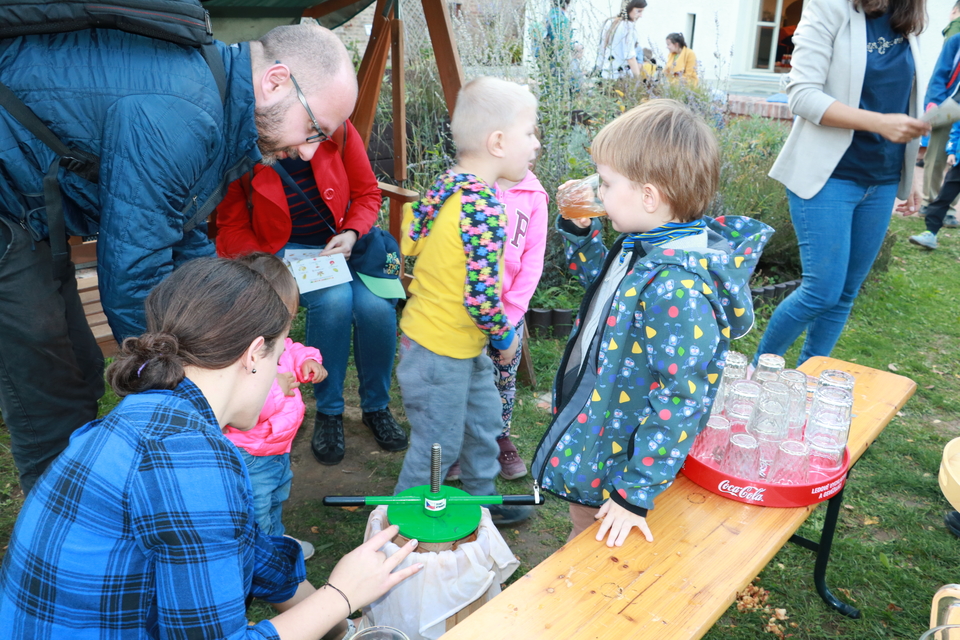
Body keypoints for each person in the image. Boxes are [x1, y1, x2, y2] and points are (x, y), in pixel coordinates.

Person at [0, 22, 358, 493]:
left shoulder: (215, 104)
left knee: (81, 370)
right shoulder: (183, 116)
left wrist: (229, 330)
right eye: (314, 129)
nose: (310, 153)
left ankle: (90, 489)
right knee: (52, 389)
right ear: (275, 82)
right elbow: (134, 280)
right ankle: (66, 518)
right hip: (9, 208)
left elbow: (185, 247)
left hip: (33, 217)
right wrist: (198, 393)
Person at [0, 257, 422, 639]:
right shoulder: (191, 462)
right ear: (254, 355)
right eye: (277, 355)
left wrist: (343, 629)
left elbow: (255, 556)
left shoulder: (150, 415)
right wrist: (341, 595)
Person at [530, 100, 771, 546]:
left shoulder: (675, 285)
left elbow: (682, 396)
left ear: (648, 197)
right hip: (604, 418)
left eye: (605, 183)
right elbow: (606, 288)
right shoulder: (644, 244)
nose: (597, 192)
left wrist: (634, 493)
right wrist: (580, 233)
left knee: (589, 542)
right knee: (583, 527)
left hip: (621, 447)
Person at [215, 118, 407, 467]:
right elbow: (230, 226)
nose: (303, 152)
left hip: (347, 246)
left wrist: (352, 232)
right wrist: (270, 263)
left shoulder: (335, 126)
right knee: (335, 300)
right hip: (282, 252)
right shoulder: (242, 142)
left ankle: (376, 407)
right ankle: (329, 411)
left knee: (377, 308)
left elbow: (367, 193)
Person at [394, 77, 540, 526]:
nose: (536, 144)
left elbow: (411, 238)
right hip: (439, 350)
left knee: (484, 422)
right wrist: (505, 337)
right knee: (437, 444)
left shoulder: (450, 184)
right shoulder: (484, 208)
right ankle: (401, 524)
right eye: (529, 132)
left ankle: (480, 504)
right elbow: (480, 297)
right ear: (498, 142)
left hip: (458, 342)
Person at [759, 0, 928, 367]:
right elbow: (803, 95)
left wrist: (910, 172)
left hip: (882, 179)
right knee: (821, 292)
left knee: (845, 293)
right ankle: (756, 375)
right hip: (828, 175)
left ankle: (808, 377)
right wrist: (878, 122)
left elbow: (906, 100)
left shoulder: (907, 16)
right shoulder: (829, 6)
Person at [448, 170, 550, 483]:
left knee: (503, 380)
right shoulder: (472, 184)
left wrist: (513, 313)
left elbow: (533, 259)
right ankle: (457, 443)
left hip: (507, 314)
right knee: (459, 379)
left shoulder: (535, 196)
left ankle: (499, 436)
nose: (532, 150)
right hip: (463, 310)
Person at [223, 253, 326, 558]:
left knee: (276, 498)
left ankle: (277, 543)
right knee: (257, 510)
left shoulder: (278, 342)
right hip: (250, 454)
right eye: (285, 321)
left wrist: (309, 361)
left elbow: (295, 350)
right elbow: (246, 411)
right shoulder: (241, 356)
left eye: (291, 320)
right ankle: (264, 559)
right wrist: (276, 389)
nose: (287, 330)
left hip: (277, 449)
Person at [920, 4, 960, 223]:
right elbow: (940, 73)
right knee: (936, 156)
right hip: (949, 104)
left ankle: (948, 207)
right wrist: (934, 104)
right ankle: (929, 201)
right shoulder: (956, 41)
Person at [910, 120, 960, 249]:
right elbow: (955, 131)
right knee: (943, 198)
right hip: (958, 166)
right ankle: (930, 233)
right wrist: (951, 152)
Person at [594, 0, 647, 80]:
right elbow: (630, 57)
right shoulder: (628, 27)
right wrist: (638, 80)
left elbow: (601, 50)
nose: (641, 15)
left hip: (606, 74)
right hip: (621, 77)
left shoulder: (610, 22)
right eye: (638, 11)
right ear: (629, 8)